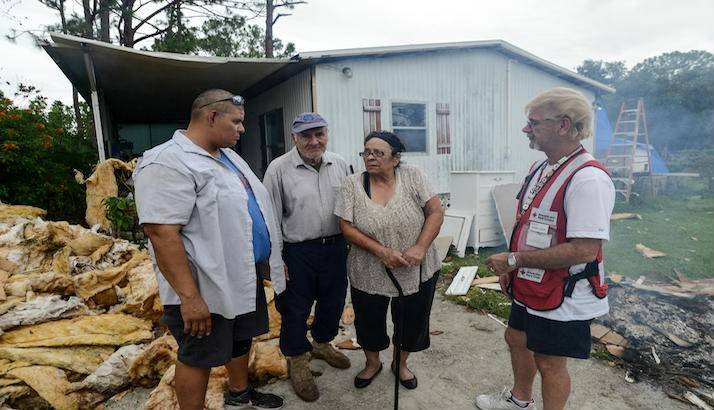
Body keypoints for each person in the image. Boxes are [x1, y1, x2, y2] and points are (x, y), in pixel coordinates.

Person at [133, 89, 285, 410]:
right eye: (237, 122)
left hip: (240, 274)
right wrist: (190, 298)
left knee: (240, 340)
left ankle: (239, 395)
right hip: (204, 285)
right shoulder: (167, 161)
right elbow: (161, 233)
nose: (242, 129)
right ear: (211, 116)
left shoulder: (227, 155)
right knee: (198, 356)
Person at [475, 87, 615, 410]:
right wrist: (517, 269)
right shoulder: (541, 168)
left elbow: (584, 250)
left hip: (563, 290)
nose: (526, 129)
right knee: (516, 338)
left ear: (563, 126)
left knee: (550, 362)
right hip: (531, 281)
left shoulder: (588, 179)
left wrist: (514, 259)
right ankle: (520, 400)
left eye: (534, 123)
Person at [334, 131, 444, 391]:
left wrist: (420, 246)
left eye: (378, 153)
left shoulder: (413, 175)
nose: (370, 158)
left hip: (415, 266)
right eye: (366, 152)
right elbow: (346, 228)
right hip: (368, 269)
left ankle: (400, 363)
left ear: (396, 158)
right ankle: (373, 364)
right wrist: (381, 251)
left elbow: (436, 211)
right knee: (368, 318)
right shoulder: (352, 183)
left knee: (413, 319)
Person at [262, 112, 351, 402]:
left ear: (327, 134)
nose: (314, 141)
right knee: (295, 308)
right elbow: (270, 219)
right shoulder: (278, 169)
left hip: (336, 247)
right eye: (306, 136)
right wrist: (277, 260)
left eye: (319, 134)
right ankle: (297, 358)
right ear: (294, 138)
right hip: (297, 251)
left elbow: (351, 207)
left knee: (333, 301)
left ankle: (322, 343)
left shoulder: (339, 164)